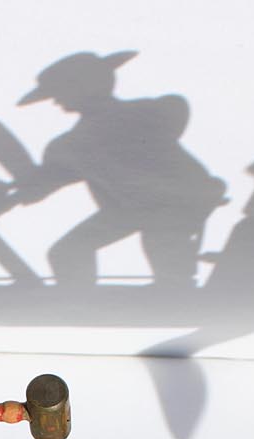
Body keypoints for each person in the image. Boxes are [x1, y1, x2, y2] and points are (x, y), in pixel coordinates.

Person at [13, 51, 225, 290]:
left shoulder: (84, 137)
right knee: (68, 251)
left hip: (170, 200)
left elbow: (43, 183)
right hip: (134, 206)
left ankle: (169, 289)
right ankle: (81, 299)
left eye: (60, 92)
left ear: (83, 86)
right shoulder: (76, 141)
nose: (56, 101)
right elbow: (42, 184)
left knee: (162, 242)